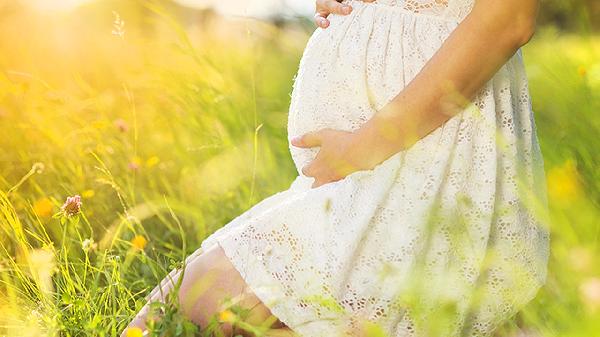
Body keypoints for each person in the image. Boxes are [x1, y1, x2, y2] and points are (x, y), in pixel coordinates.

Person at [121, 0, 550, 336]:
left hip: (427, 158)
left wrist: (366, 145)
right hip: (370, 171)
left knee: (179, 310)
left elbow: (508, 18)